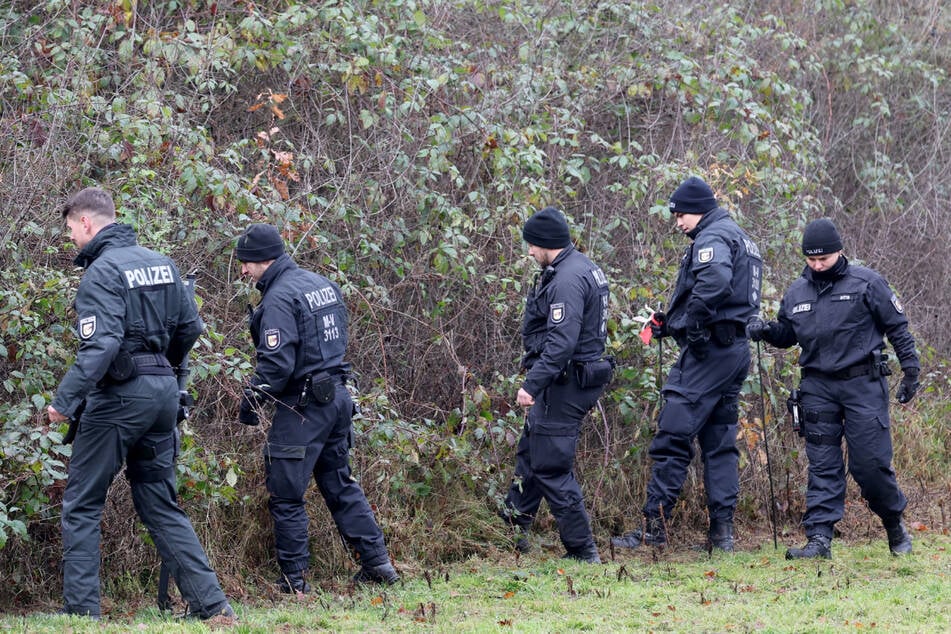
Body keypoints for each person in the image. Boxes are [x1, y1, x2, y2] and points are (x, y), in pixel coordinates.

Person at [46, 187, 233, 620]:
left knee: (83, 501)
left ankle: (80, 613)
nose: (73, 238)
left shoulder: (102, 272)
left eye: (72, 228)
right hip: (164, 394)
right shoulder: (163, 264)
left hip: (118, 400)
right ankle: (212, 606)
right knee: (158, 503)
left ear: (87, 223)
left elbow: (101, 346)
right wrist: (161, 371)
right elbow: (190, 328)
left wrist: (64, 402)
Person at [235, 223, 398, 592]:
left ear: (264, 259)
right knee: (339, 482)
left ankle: (293, 581)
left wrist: (252, 399)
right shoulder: (322, 284)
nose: (243, 271)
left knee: (286, 492)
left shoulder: (278, 298)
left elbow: (276, 364)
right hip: (337, 398)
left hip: (301, 407)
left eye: (245, 263)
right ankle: (378, 564)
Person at [746, 217, 919, 559]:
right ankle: (819, 539)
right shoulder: (797, 291)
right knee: (822, 464)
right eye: (811, 260)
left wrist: (911, 369)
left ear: (839, 251)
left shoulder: (867, 283)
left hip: (862, 384)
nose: (817, 265)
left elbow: (897, 327)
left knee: (869, 466)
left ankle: (893, 523)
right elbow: (787, 334)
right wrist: (765, 330)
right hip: (817, 386)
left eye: (823, 258)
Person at [612, 176, 762, 553]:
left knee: (673, 433)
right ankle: (721, 535)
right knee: (719, 441)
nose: (678, 222)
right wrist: (671, 322)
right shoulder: (738, 236)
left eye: (681, 214)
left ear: (700, 209)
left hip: (708, 354)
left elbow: (713, 282)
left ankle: (654, 529)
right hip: (733, 350)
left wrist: (693, 326)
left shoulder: (713, 237)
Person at [497, 206, 614, 564]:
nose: (529, 252)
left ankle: (583, 550)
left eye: (532, 245)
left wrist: (531, 385)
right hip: (571, 379)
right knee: (532, 453)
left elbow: (562, 343)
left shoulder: (566, 279)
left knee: (550, 466)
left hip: (564, 384)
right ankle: (512, 530)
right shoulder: (580, 266)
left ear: (546, 243)